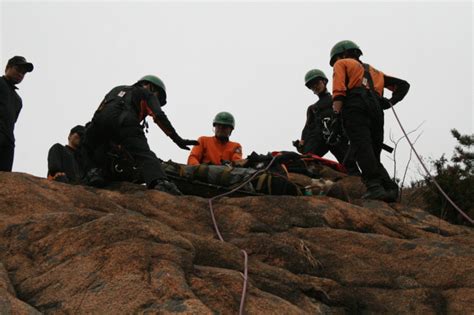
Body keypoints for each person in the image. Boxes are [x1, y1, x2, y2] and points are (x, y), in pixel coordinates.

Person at [81, 75, 198, 194]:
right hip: (126, 123)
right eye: (159, 97)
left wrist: (92, 130)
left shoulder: (116, 89)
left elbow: (100, 110)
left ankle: (94, 173)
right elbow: (159, 116)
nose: (157, 100)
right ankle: (159, 183)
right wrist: (177, 139)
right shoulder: (147, 93)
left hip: (98, 123)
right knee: (144, 154)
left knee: (87, 145)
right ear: (151, 87)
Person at [330, 40, 410, 201]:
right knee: (373, 152)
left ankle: (374, 187)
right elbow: (403, 85)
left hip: (354, 105)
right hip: (376, 110)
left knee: (361, 148)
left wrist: (336, 116)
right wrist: (390, 102)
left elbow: (339, 92)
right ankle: (389, 188)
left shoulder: (341, 64)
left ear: (342, 54)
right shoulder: (375, 72)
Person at [299, 69, 360, 175]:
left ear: (324, 82)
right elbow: (307, 129)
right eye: (312, 86)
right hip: (322, 139)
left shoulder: (338, 99)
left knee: (351, 168)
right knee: (307, 159)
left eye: (317, 83)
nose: (315, 87)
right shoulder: (313, 108)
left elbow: (352, 118)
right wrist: (302, 143)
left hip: (339, 139)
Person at [0, 56, 34, 171]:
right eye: (18, 69)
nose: (20, 74)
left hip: (8, 140)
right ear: (7, 68)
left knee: (4, 179)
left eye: (23, 73)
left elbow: (12, 120)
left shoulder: (18, 100)